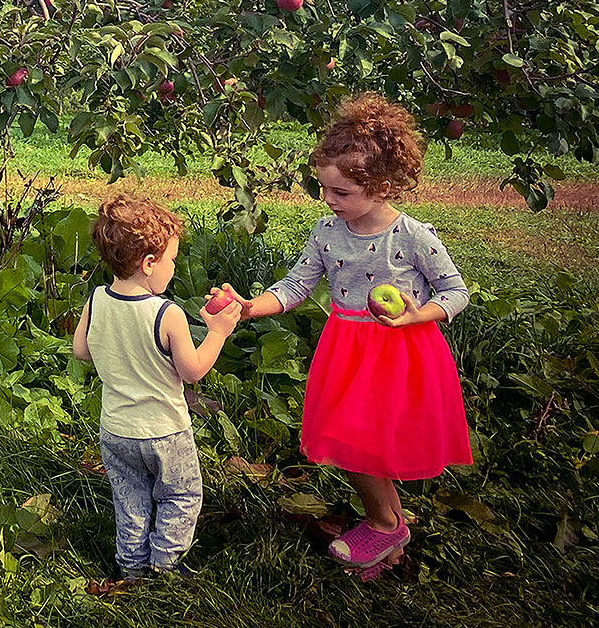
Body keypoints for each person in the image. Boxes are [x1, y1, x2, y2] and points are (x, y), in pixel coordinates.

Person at [238, 92, 472, 572]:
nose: (328, 200)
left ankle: (387, 526)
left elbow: (456, 292)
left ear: (383, 186)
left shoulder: (412, 237)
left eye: (341, 192)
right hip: (346, 350)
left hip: (400, 352)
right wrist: (250, 308)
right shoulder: (327, 231)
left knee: (367, 445)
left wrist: (414, 315)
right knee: (354, 443)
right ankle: (388, 526)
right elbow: (296, 284)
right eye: (324, 188)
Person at [73, 193, 244, 580]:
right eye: (171, 260)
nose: (173, 268)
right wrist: (218, 331)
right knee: (180, 496)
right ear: (149, 264)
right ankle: (165, 565)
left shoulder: (97, 299)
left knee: (129, 498)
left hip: (115, 430)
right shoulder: (167, 314)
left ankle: (131, 568)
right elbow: (193, 371)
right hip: (165, 431)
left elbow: (81, 350)